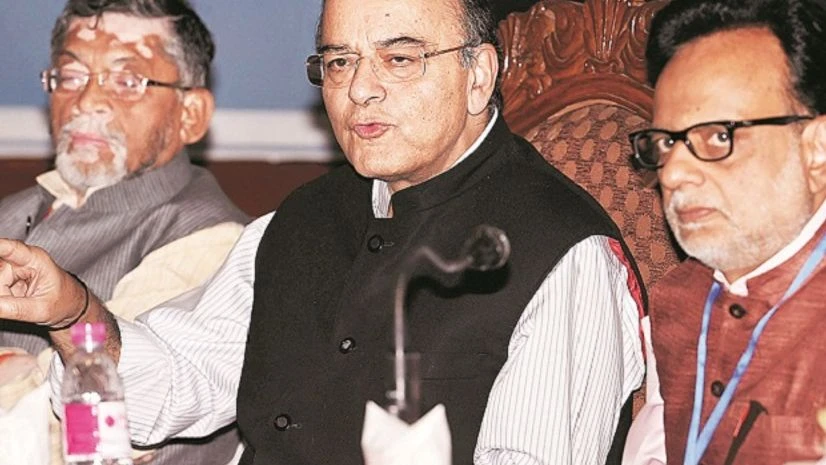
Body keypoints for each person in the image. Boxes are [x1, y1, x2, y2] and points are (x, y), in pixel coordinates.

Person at [0, 0, 646, 464]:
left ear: (478, 75)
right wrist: (72, 311)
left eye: (399, 59)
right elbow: (173, 386)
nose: (360, 88)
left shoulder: (565, 254)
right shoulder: (299, 220)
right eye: (339, 62)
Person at [0, 0, 250, 464]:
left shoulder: (210, 240)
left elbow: (82, 425)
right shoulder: (16, 210)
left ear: (190, 113)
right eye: (71, 76)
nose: (87, 101)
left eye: (127, 80)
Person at [622, 0, 826, 463]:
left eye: (717, 136)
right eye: (666, 142)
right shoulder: (678, 299)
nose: (673, 173)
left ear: (816, 149)